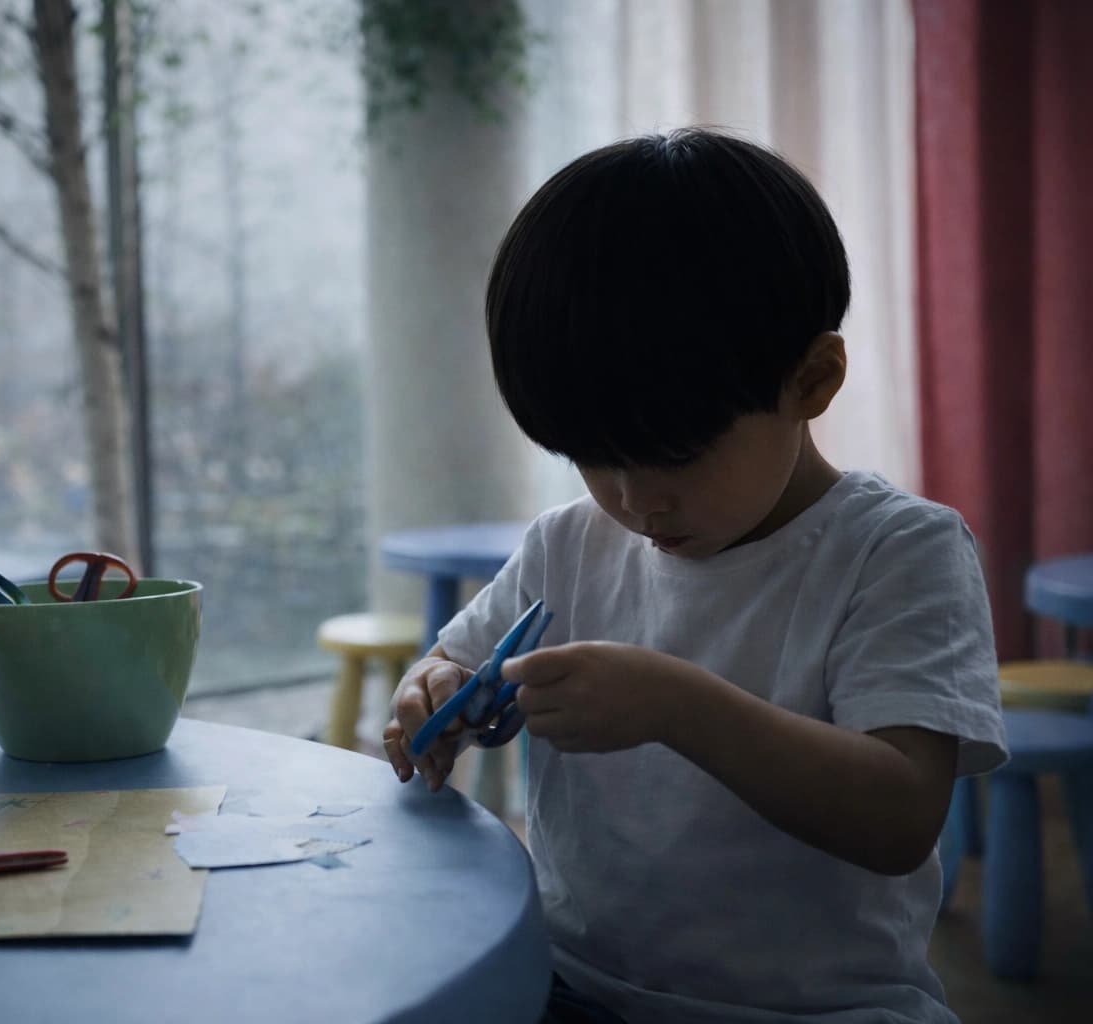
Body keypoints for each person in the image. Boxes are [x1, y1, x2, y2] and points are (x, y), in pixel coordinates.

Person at [382, 128, 1006, 1024]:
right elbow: (447, 663)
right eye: (594, 458)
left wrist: (678, 706)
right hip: (572, 987)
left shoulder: (897, 552)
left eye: (674, 457)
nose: (636, 503)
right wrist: (432, 693)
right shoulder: (567, 545)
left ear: (814, 380)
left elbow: (900, 817)